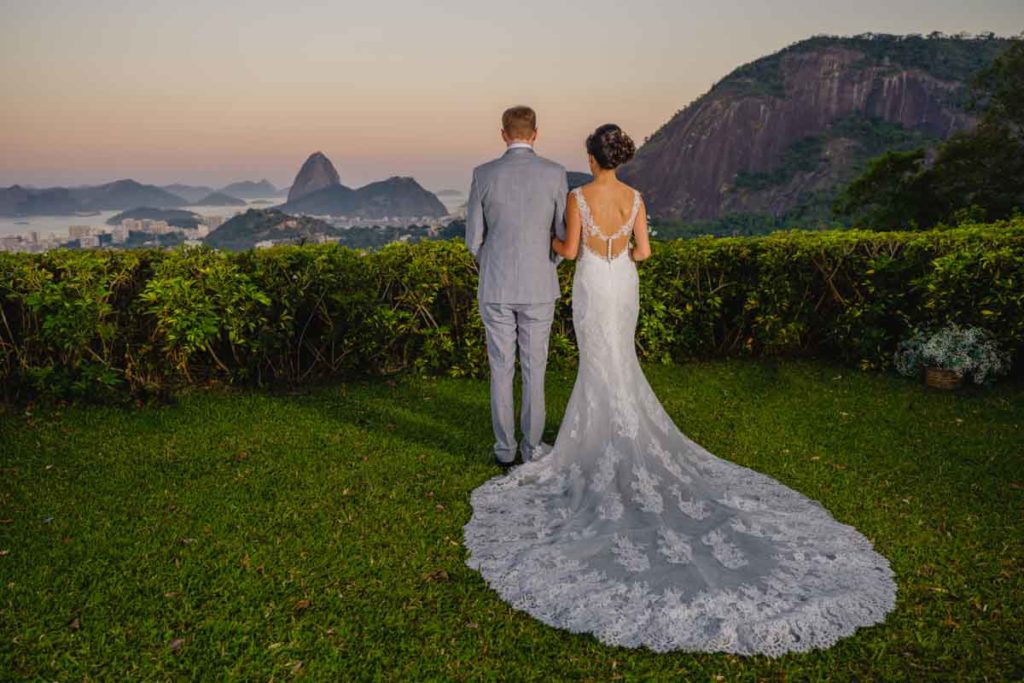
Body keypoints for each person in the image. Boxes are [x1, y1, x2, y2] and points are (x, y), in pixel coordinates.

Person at [462, 123, 897, 656]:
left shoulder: (578, 195)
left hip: (592, 287)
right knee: (618, 359)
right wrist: (616, 247)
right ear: (619, 157)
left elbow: (570, 250)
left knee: (596, 362)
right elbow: (643, 253)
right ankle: (609, 433)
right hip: (622, 283)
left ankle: (568, 440)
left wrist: (541, 240)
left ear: (590, 157)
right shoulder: (636, 197)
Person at [465, 105, 569, 469]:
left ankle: (504, 449)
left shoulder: (483, 174)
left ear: (503, 133)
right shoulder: (555, 174)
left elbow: (474, 239)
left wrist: (492, 263)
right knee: (535, 368)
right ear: (535, 133)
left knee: (501, 367)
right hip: (540, 284)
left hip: (495, 285)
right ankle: (532, 447)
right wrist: (547, 265)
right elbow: (561, 235)